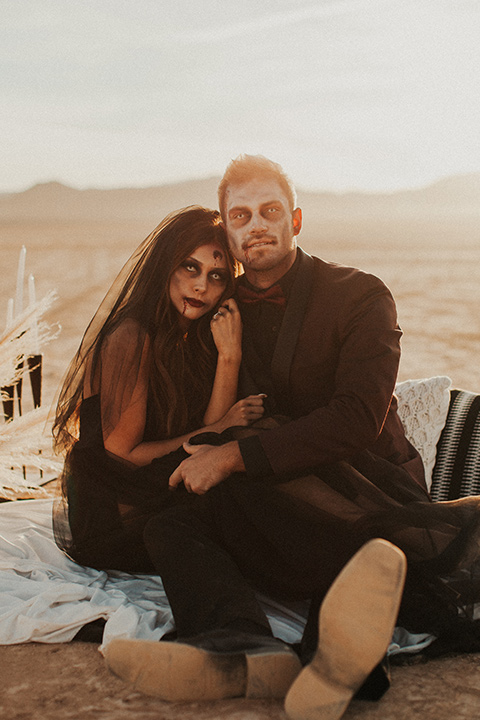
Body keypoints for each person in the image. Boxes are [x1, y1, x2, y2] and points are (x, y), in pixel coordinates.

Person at [104, 157, 480, 720]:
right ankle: (241, 646)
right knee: (171, 522)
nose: (256, 224)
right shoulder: (220, 311)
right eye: (241, 215)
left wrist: (234, 455)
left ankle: (344, 646)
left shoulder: (359, 295)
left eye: (270, 211)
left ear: (295, 220)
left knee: (268, 470)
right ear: (227, 234)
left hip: (361, 490)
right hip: (269, 496)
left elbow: (357, 418)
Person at [52, 206, 266, 572]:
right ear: (165, 266)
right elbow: (123, 455)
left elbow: (207, 444)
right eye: (189, 267)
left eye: (216, 276)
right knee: (246, 488)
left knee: (258, 453)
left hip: (154, 492)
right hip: (114, 515)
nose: (201, 286)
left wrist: (230, 355)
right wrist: (215, 430)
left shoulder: (187, 338)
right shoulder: (130, 337)